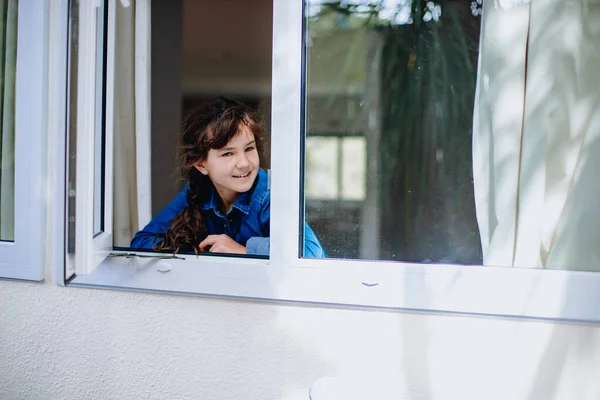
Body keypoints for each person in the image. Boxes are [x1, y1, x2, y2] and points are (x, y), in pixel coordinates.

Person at [130, 96, 326, 257]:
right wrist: (195, 250)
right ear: (201, 164)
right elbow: (141, 242)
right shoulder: (197, 191)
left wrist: (243, 250)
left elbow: (311, 254)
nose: (244, 163)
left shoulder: (268, 195)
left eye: (249, 148)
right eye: (228, 153)